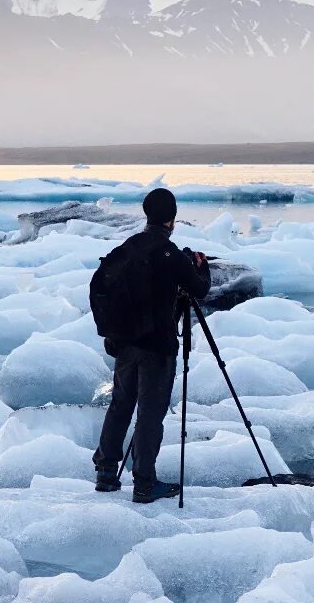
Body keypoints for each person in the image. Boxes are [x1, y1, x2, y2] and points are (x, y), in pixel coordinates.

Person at [93, 188, 210, 503]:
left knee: (120, 404)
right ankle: (145, 483)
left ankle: (106, 473)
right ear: (172, 218)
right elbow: (199, 290)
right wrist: (200, 267)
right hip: (157, 348)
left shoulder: (128, 248)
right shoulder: (170, 254)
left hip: (125, 344)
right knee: (149, 413)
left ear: (147, 215)